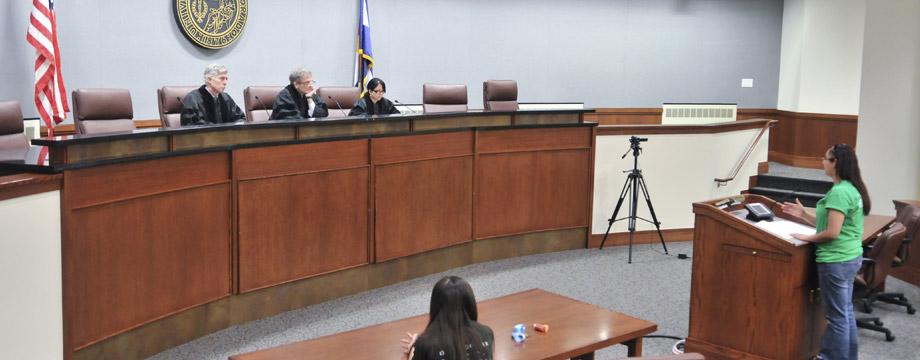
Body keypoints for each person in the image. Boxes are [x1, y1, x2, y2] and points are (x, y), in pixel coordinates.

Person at [781, 143, 871, 360]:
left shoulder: (839, 192)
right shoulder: (851, 188)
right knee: (845, 312)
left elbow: (831, 232)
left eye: (825, 158)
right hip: (850, 257)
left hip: (836, 261)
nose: (822, 161)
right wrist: (803, 215)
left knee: (837, 318)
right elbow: (830, 224)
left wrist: (808, 237)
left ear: (835, 163)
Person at [401, 276, 493, 360]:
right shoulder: (486, 333)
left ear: (435, 306)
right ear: (470, 302)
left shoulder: (426, 344)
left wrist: (413, 349)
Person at [180, 63, 246, 126]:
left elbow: (240, 118)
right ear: (209, 79)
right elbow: (191, 126)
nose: (225, 82)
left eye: (226, 79)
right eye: (222, 78)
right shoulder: (192, 99)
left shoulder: (226, 98)